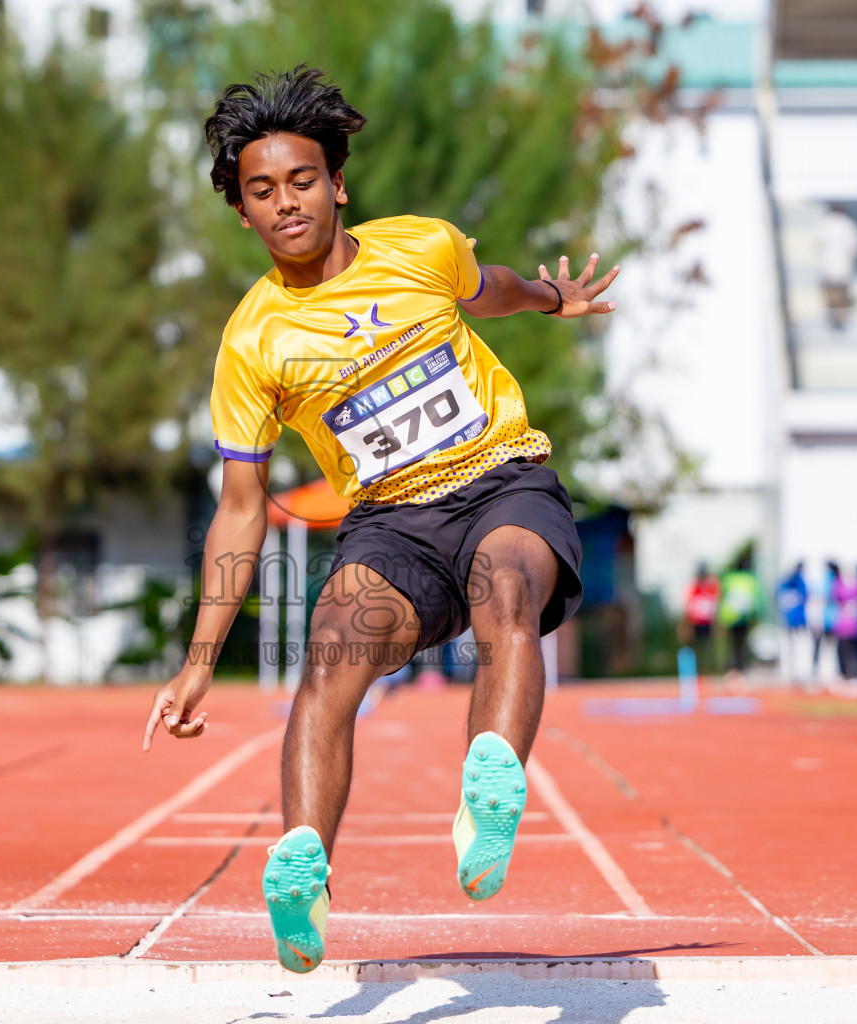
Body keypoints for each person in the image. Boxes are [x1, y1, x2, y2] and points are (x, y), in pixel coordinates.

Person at [140, 67, 617, 973]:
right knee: (330, 653)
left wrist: (558, 300)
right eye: (263, 191)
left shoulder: (421, 248)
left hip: (500, 480)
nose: (287, 203)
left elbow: (497, 290)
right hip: (392, 528)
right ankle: (303, 873)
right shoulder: (254, 343)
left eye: (303, 181)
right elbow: (240, 512)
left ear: (339, 184)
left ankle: (491, 783)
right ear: (242, 212)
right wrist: (200, 660)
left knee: (505, 591)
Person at [816, 204, 857, 330]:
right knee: (837, 298)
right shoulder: (848, 225)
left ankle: (838, 318)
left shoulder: (826, 225)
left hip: (834, 271)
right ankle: (838, 318)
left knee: (836, 298)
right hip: (839, 271)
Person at [718, 556, 760, 677]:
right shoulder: (751, 579)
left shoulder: (729, 578)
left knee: (732, 644)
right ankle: (739, 667)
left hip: (731, 616)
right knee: (740, 644)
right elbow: (756, 600)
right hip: (743, 617)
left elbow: (723, 597)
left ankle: (733, 667)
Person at [681, 564, 720, 674]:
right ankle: (696, 670)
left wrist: (715, 623)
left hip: (707, 622)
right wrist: (687, 625)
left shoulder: (711, 587)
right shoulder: (694, 587)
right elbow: (688, 606)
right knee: (696, 647)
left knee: (707, 647)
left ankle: (707, 669)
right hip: (695, 622)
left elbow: (714, 606)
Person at [777, 561, 809, 685]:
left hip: (796, 620)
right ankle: (789, 673)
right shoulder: (793, 582)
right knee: (789, 647)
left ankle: (799, 672)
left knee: (799, 647)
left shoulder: (795, 583)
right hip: (791, 620)